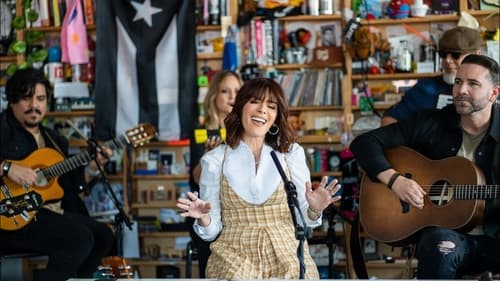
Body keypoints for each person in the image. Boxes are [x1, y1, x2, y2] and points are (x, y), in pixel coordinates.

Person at [350, 54, 500, 278]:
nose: (461, 90)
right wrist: (395, 181)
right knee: (440, 245)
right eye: (458, 82)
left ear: (494, 93)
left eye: (473, 84)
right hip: (446, 238)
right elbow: (364, 143)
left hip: (496, 239)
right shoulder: (431, 122)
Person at [179, 78, 342, 279]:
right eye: (255, 101)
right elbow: (212, 231)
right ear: (240, 108)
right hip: (233, 257)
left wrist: (315, 209)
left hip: (288, 254)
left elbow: (305, 221)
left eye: (271, 106)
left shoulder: (290, 154)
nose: (263, 110)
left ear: (276, 116)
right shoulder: (214, 160)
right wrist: (203, 218)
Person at [0, 68, 115, 281]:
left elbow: (68, 187)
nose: (34, 105)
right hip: (10, 214)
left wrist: (92, 168)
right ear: (13, 101)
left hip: (46, 215)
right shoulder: (3, 129)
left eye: (41, 99)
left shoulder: (55, 140)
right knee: (78, 238)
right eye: (26, 98)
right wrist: (7, 168)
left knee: (103, 236)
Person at [188, 70, 241, 277]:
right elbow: (195, 178)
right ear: (214, 96)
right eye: (225, 91)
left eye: (237, 91)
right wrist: (208, 158)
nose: (232, 97)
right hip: (207, 209)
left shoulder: (247, 131)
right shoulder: (200, 132)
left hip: (237, 210)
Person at [381, 26, 483, 126]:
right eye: (443, 54)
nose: (447, 61)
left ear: (477, 56)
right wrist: (402, 143)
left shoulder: (491, 90)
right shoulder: (424, 88)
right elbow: (389, 119)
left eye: (456, 55)